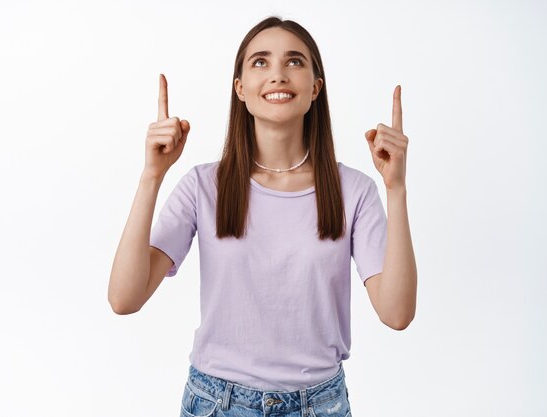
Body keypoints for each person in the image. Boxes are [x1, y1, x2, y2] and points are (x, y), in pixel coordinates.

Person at [108, 16, 417, 417]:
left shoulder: (354, 191)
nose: (277, 75)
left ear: (315, 88)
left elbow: (397, 313)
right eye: (259, 62)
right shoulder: (203, 186)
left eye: (294, 62)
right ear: (240, 89)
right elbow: (124, 298)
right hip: (217, 404)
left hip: (319, 405)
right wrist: (152, 176)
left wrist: (396, 188)